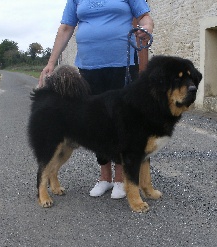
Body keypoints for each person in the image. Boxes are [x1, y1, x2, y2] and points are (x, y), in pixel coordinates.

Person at [39, 0, 154, 199]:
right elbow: (66, 27)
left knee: (123, 123)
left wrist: (146, 28)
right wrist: (51, 63)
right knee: (97, 122)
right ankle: (105, 178)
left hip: (123, 64)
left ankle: (121, 180)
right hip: (89, 67)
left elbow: (145, 17)